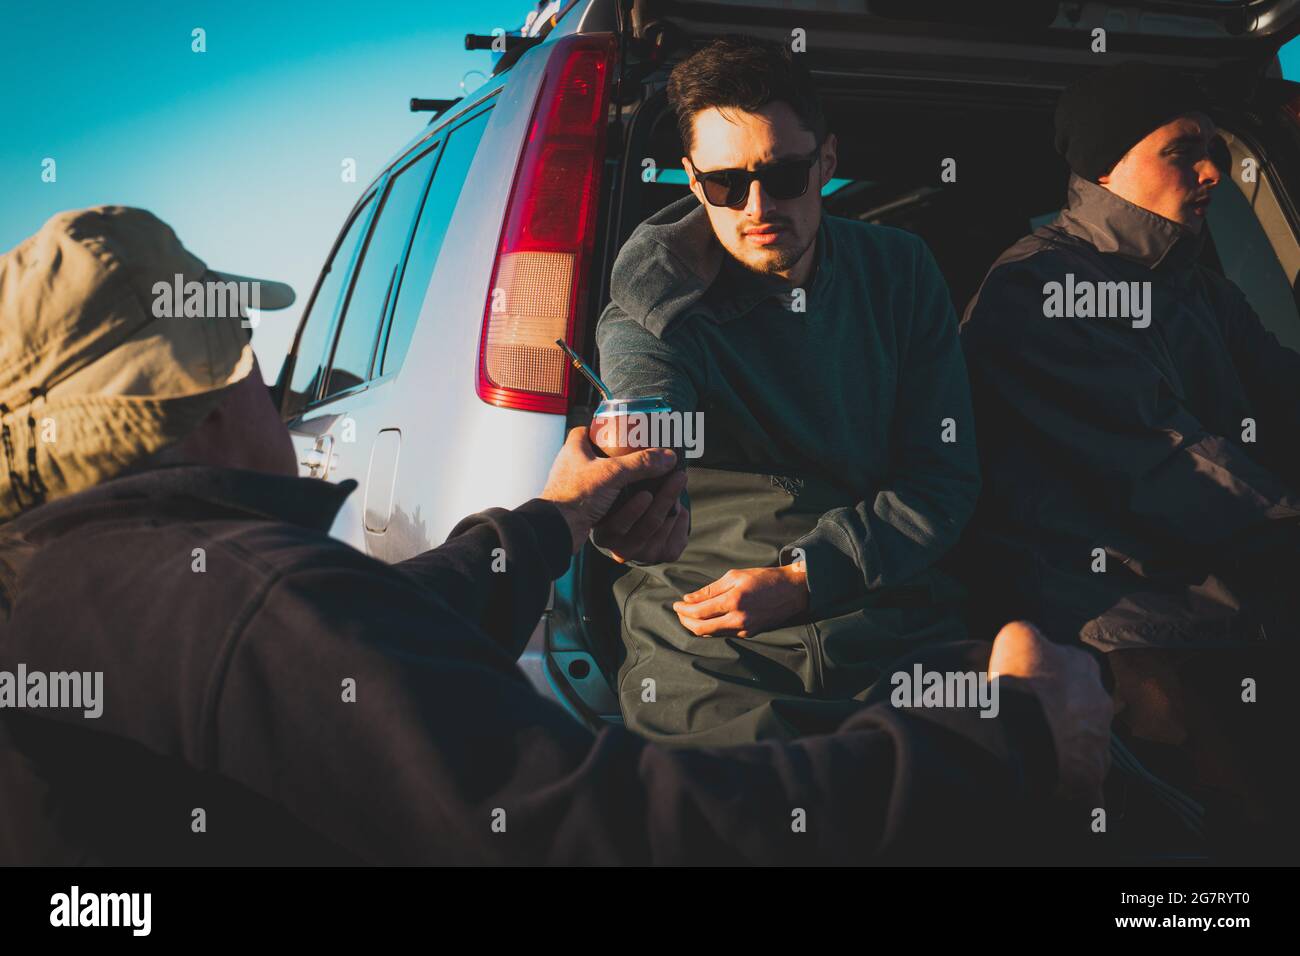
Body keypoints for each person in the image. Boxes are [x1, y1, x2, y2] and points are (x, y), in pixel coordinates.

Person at [0, 205, 1110, 864]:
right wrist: (1001, 739)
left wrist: (558, 517)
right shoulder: (243, 602)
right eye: (248, 352)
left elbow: (372, 638)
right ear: (201, 395)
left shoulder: (69, 586)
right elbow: (592, 825)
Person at [593, 36, 980, 745]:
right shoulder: (653, 303)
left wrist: (808, 577)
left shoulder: (901, 273)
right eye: (726, 184)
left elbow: (943, 477)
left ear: (827, 162)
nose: (757, 205)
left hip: (889, 623)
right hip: (706, 644)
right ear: (690, 179)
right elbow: (642, 391)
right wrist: (631, 457)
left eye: (786, 174)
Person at [959, 62, 1300, 845]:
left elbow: (1285, 395)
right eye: (1183, 151)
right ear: (1104, 167)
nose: (1213, 169)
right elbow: (1163, 461)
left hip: (1232, 603)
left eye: (1214, 147)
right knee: (1251, 833)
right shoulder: (1042, 287)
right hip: (1125, 629)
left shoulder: (1196, 286)